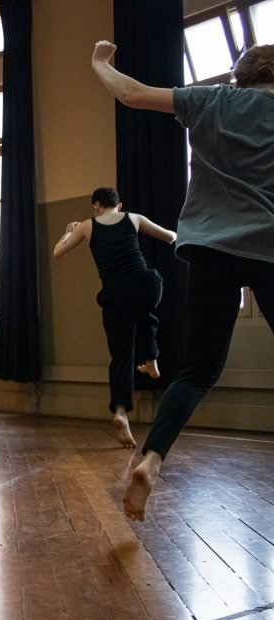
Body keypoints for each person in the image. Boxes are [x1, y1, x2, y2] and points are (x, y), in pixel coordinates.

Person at [91, 41, 274, 521]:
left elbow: (131, 95)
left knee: (197, 370)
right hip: (268, 249)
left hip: (210, 251)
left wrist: (98, 63)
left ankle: (150, 461)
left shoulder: (209, 100)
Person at [53, 187, 176, 448]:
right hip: (145, 286)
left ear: (96, 207)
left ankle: (120, 412)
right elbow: (170, 237)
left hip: (115, 294)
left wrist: (67, 231)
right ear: (118, 205)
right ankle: (152, 359)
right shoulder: (135, 218)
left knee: (121, 356)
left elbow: (58, 253)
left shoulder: (87, 226)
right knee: (146, 313)